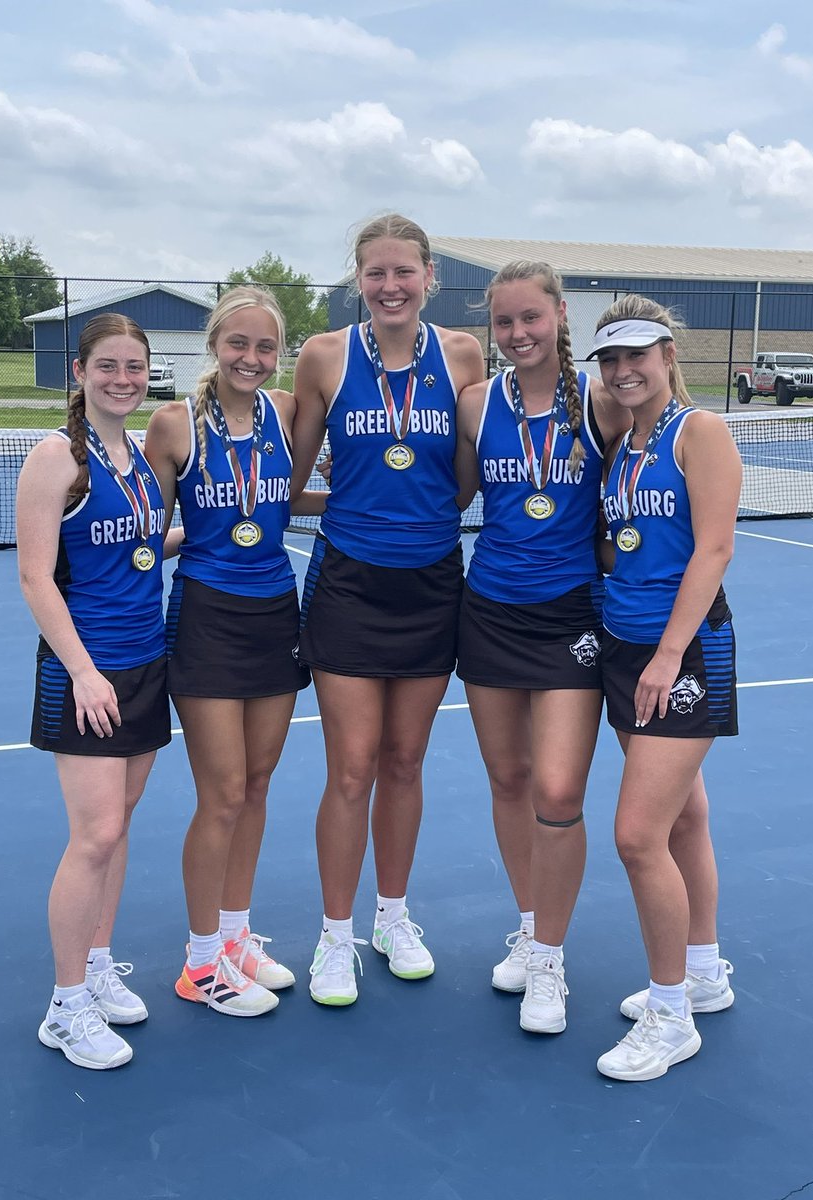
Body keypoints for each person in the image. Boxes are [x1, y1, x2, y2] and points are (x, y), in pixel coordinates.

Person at [290, 213, 484, 1005]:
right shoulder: (324, 356)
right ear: (357, 280)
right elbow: (289, 477)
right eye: (376, 273)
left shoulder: (464, 355)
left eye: (405, 272)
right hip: (349, 586)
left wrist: (419, 517)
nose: (391, 285)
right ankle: (335, 937)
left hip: (433, 584)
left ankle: (392, 917)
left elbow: (469, 477)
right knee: (352, 767)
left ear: (429, 277)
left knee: (405, 763)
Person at [454, 260, 631, 1034]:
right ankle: (529, 930)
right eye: (504, 322)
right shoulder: (474, 405)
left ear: (559, 315)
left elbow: (644, 491)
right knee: (508, 779)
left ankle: (551, 961)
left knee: (558, 794)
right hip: (489, 611)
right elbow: (450, 494)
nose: (519, 334)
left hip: (571, 620)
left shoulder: (602, 404)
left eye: (532, 318)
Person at [144, 285, 324, 1018]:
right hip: (208, 620)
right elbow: (150, 531)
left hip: (276, 614)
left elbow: (283, 498)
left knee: (255, 787)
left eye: (264, 347)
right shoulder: (173, 425)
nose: (251, 357)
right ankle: (198, 964)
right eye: (237, 343)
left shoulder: (285, 415)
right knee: (220, 796)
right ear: (215, 345)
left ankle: (234, 936)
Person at [588, 295, 740, 1081]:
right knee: (686, 816)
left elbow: (715, 546)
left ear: (668, 354)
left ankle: (671, 1011)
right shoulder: (624, 443)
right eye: (609, 361)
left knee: (636, 836)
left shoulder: (699, 432)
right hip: (623, 643)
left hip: (678, 654)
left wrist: (668, 653)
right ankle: (704, 972)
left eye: (635, 356)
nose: (622, 372)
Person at [17, 313, 171, 1070]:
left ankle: (99, 965)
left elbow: (142, 542)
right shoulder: (56, 457)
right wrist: (82, 671)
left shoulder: (135, 456)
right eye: (107, 366)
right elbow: (35, 576)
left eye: (134, 368)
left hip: (147, 662)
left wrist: (213, 524)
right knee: (96, 835)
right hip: (88, 672)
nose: (122, 379)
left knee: (122, 821)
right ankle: (66, 1004)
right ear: (79, 373)